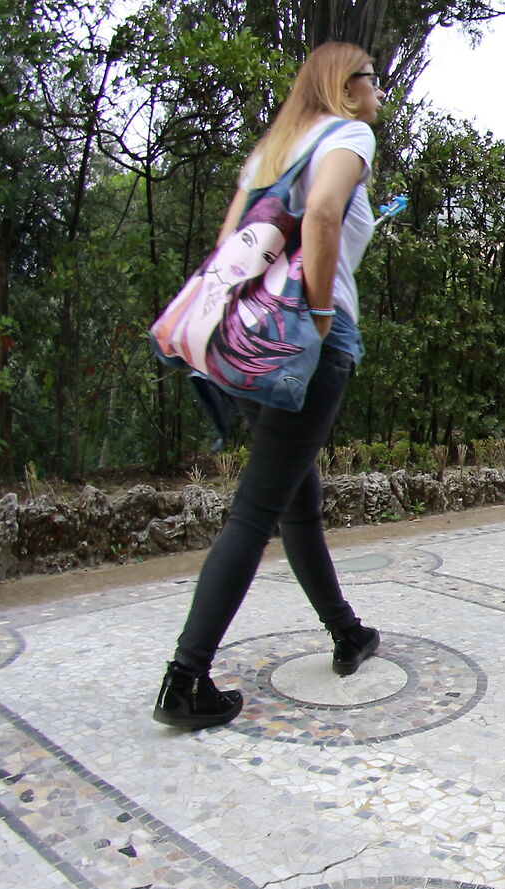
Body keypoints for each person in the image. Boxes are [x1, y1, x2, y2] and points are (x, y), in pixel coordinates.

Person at [152, 42, 386, 729]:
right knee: (257, 511)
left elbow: (229, 255)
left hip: (251, 341)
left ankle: (347, 633)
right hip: (308, 342)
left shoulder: (269, 153)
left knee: (294, 499)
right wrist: (316, 315)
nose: (380, 91)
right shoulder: (350, 135)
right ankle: (184, 680)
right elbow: (319, 216)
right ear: (347, 86)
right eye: (373, 78)